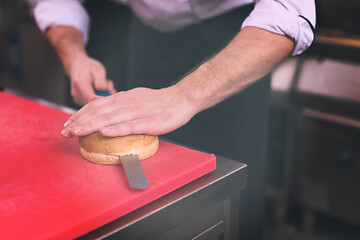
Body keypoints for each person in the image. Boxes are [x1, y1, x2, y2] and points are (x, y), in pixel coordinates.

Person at [31, 0, 316, 239]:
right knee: (149, 209)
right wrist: (75, 56)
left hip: (240, 41)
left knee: (232, 198)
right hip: (148, 35)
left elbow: (287, 12)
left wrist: (181, 98)